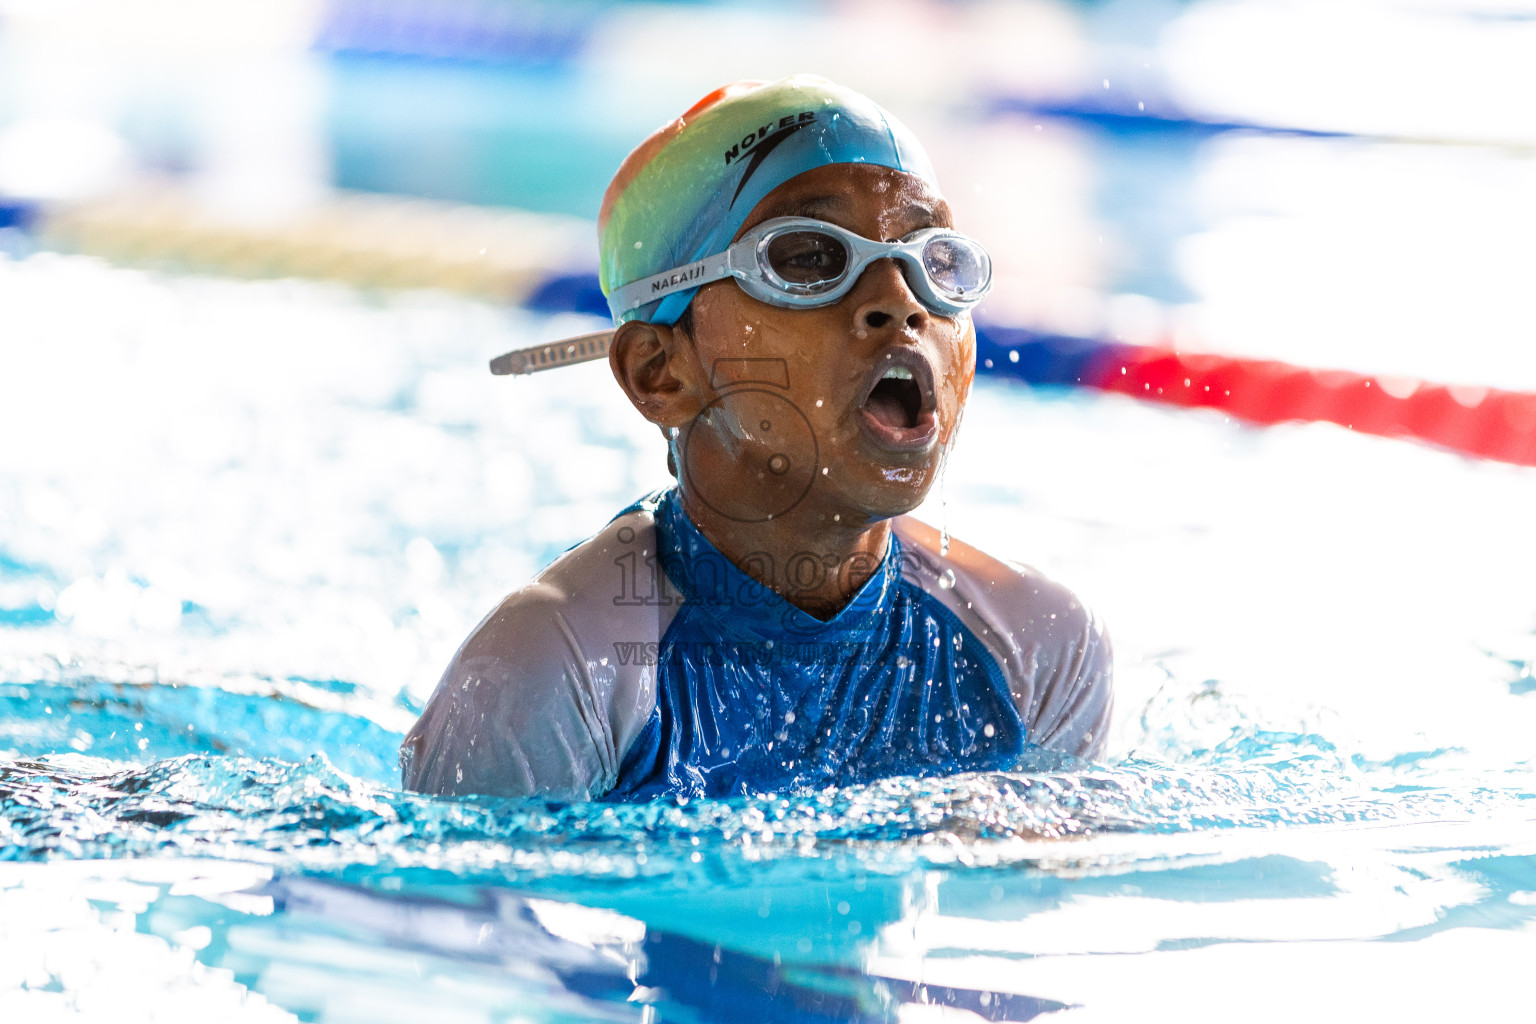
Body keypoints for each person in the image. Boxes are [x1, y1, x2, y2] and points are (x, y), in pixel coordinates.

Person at [400, 75, 1112, 801]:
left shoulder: (1036, 646)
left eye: (933, 260)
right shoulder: (556, 667)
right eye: (808, 257)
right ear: (660, 371)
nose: (899, 303)